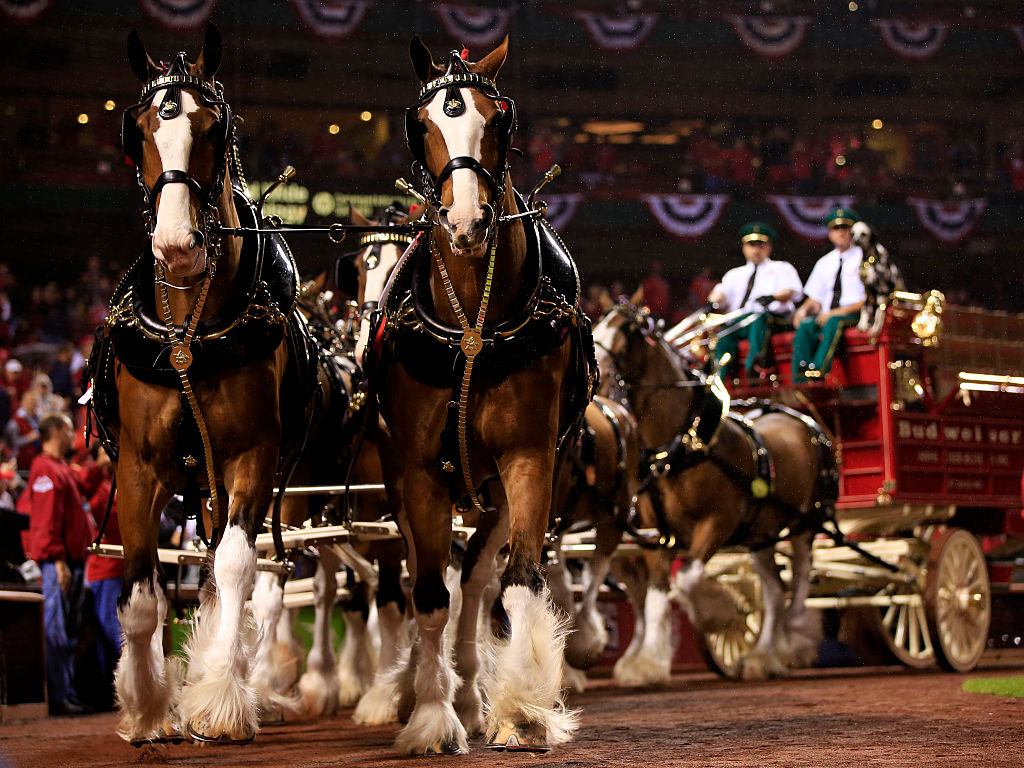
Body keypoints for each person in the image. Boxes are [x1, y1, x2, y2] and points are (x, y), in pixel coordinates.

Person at [18, 412, 93, 715]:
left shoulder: (59, 468)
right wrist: (57, 560)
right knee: (57, 630)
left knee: (68, 631)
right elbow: (46, 521)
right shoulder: (44, 469)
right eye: (67, 429)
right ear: (57, 432)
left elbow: (84, 488)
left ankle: (67, 694)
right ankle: (60, 698)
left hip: (70, 562)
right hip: (57, 564)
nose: (71, 435)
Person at [707, 222, 802, 379]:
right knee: (724, 334)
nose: (756, 250)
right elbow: (721, 292)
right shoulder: (734, 274)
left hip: (773, 320)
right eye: (751, 245)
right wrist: (713, 300)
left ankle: (755, 370)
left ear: (769, 247)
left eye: (760, 245)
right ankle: (720, 379)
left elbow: (792, 291)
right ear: (744, 247)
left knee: (758, 319)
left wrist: (774, 297)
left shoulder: (781, 268)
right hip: (741, 320)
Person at [791, 206, 866, 383]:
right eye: (836, 228)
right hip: (826, 315)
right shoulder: (824, 262)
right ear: (830, 234)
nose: (840, 232)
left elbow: (868, 299)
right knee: (805, 326)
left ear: (852, 231)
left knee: (834, 322)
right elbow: (815, 299)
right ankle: (800, 378)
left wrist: (835, 313)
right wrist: (802, 310)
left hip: (855, 314)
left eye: (845, 228)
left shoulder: (864, 257)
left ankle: (818, 371)